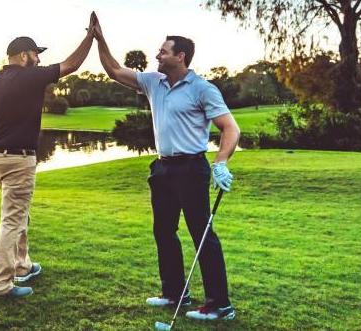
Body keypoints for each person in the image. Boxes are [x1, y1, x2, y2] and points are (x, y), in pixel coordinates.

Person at [89, 13, 242, 320]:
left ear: (180, 56)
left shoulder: (203, 89)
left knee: (202, 234)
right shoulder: (153, 82)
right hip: (163, 169)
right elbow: (114, 71)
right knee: (163, 231)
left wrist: (221, 162)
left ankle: (220, 305)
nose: (157, 54)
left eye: (163, 51)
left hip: (191, 168)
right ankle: (175, 293)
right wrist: (99, 40)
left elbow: (231, 129)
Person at [0, 13, 97, 299]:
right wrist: (91, 36)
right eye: (36, 54)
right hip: (18, 159)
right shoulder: (31, 76)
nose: (38, 60)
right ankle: (0, 285)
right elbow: (72, 64)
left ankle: (22, 265)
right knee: (13, 219)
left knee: (18, 212)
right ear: (24, 55)